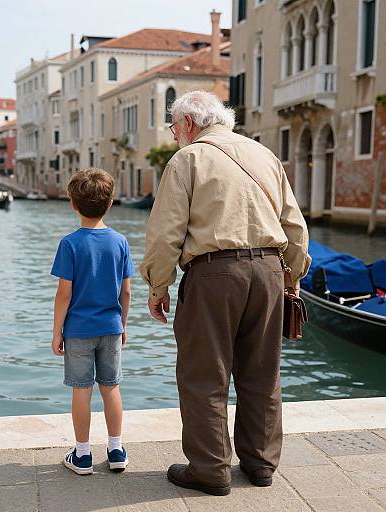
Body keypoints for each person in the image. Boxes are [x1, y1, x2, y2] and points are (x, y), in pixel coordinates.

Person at [140, 91, 311, 496]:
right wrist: (293, 278)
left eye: (173, 127)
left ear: (187, 124)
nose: (175, 134)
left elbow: (166, 233)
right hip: (270, 270)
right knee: (262, 372)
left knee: (205, 375)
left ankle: (211, 470)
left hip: (214, 274)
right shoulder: (264, 156)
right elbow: (295, 226)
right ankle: (261, 464)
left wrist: (157, 285)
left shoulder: (188, 159)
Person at [50, 168, 134, 475]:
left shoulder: (70, 244)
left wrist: (57, 331)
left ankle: (83, 455)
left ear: (72, 204)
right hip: (111, 327)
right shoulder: (120, 242)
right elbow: (126, 291)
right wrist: (122, 324)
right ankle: (116, 450)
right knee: (110, 387)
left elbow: (64, 294)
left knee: (81, 390)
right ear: (110, 203)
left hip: (79, 331)